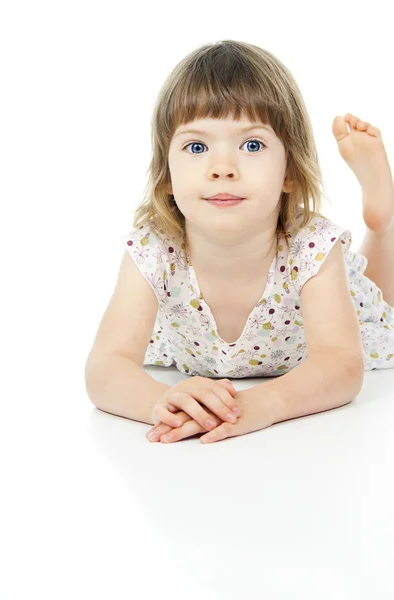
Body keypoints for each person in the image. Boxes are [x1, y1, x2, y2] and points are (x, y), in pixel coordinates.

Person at [86, 40, 394, 444]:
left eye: (252, 145)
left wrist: (262, 404)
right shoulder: (153, 249)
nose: (223, 168)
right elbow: (105, 366)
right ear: (166, 176)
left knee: (382, 307)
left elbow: (341, 363)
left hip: (323, 314)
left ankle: (383, 219)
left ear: (289, 172)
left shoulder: (312, 246)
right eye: (197, 147)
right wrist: (163, 402)